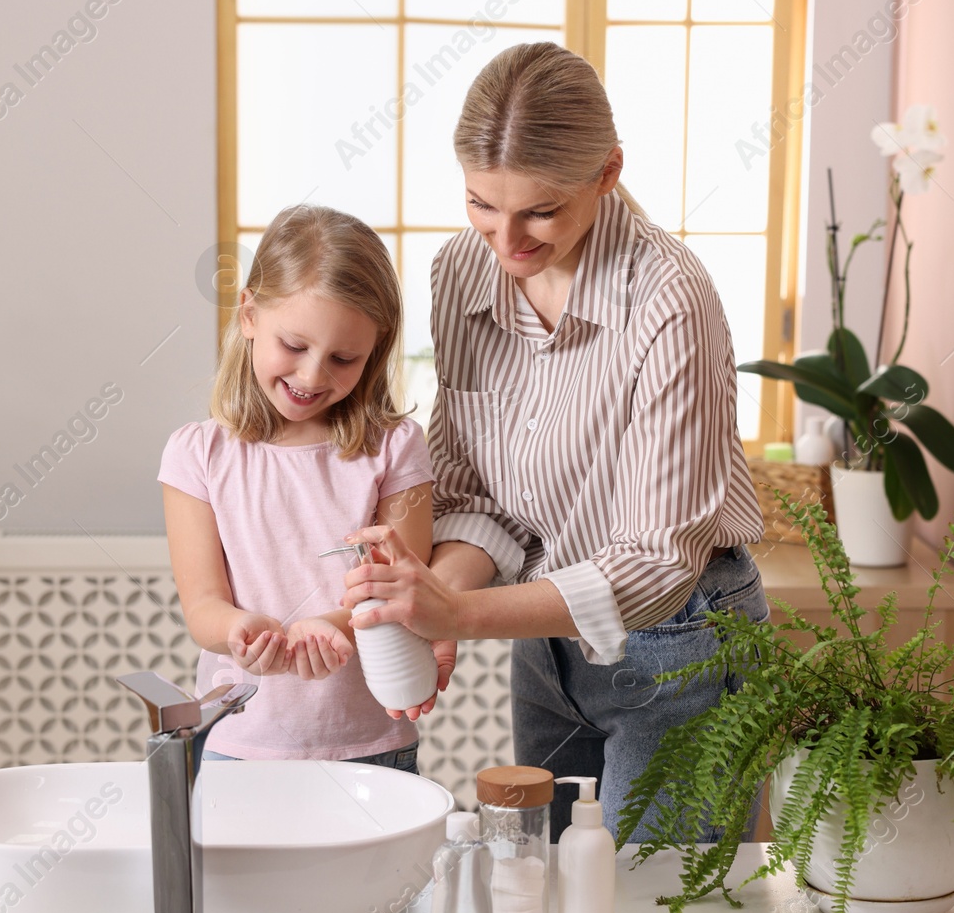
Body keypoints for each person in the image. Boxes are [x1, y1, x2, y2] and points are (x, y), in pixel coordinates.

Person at [339, 42, 770, 839]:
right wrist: (436, 602)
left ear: (606, 174)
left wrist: (461, 612)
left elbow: (658, 564)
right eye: (480, 203)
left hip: (682, 638)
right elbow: (475, 494)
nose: (505, 241)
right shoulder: (463, 271)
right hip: (545, 638)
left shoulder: (671, 300)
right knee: (540, 877)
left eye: (539, 211)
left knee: (662, 911)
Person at [158, 204, 437, 772]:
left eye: (343, 358)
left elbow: (404, 591)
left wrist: (332, 629)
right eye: (294, 345)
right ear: (250, 315)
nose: (312, 376)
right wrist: (239, 631)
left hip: (370, 749)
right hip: (237, 746)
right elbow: (203, 606)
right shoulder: (197, 455)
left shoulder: (396, 448)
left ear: (375, 351)